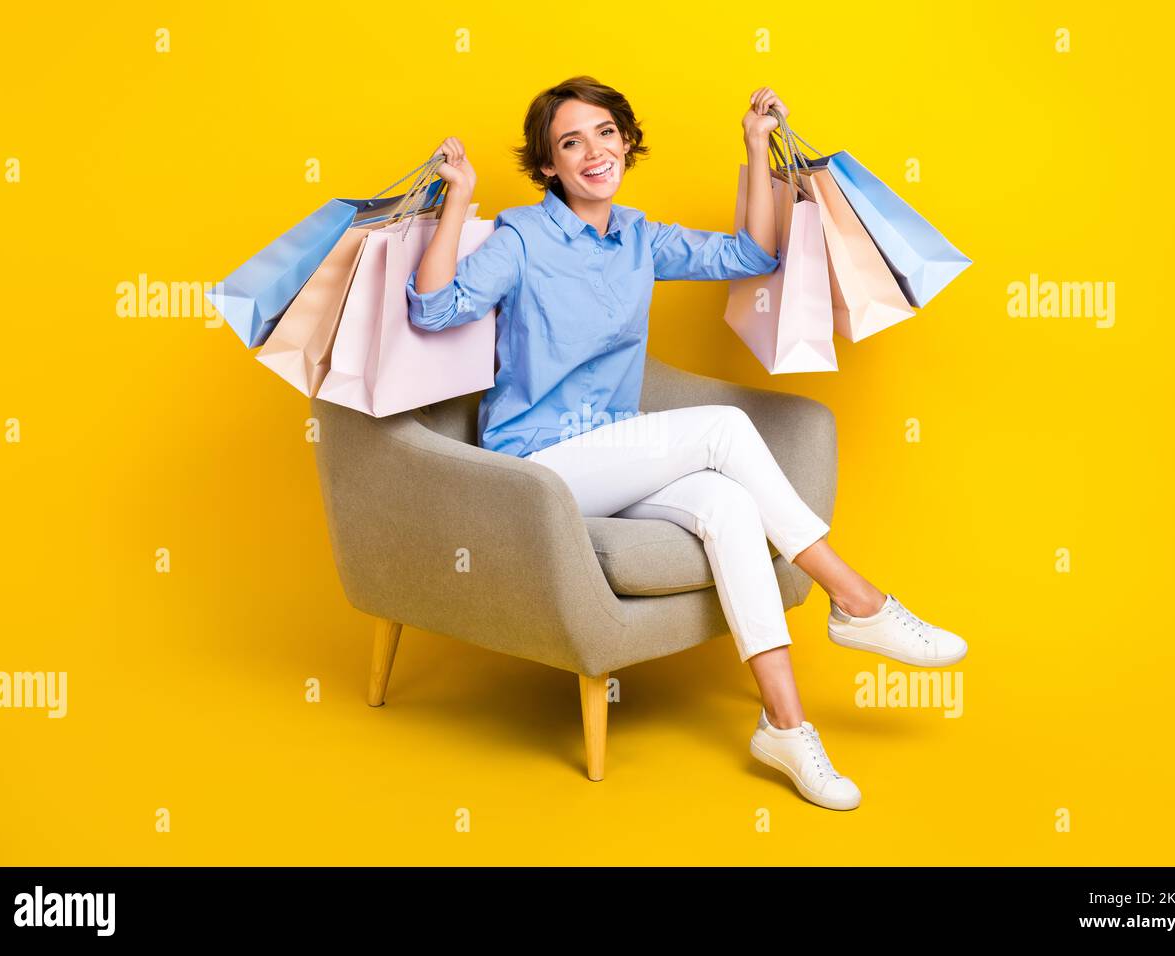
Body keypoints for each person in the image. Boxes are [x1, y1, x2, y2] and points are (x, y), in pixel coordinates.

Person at [406, 75, 968, 811]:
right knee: (722, 427)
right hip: (535, 468)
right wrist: (458, 197)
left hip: (615, 456)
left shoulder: (638, 238)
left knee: (730, 507)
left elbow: (751, 257)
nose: (593, 152)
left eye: (606, 133)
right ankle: (857, 600)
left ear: (628, 143)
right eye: (570, 143)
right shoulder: (522, 237)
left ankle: (786, 728)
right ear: (548, 166)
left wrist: (757, 143)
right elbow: (433, 307)